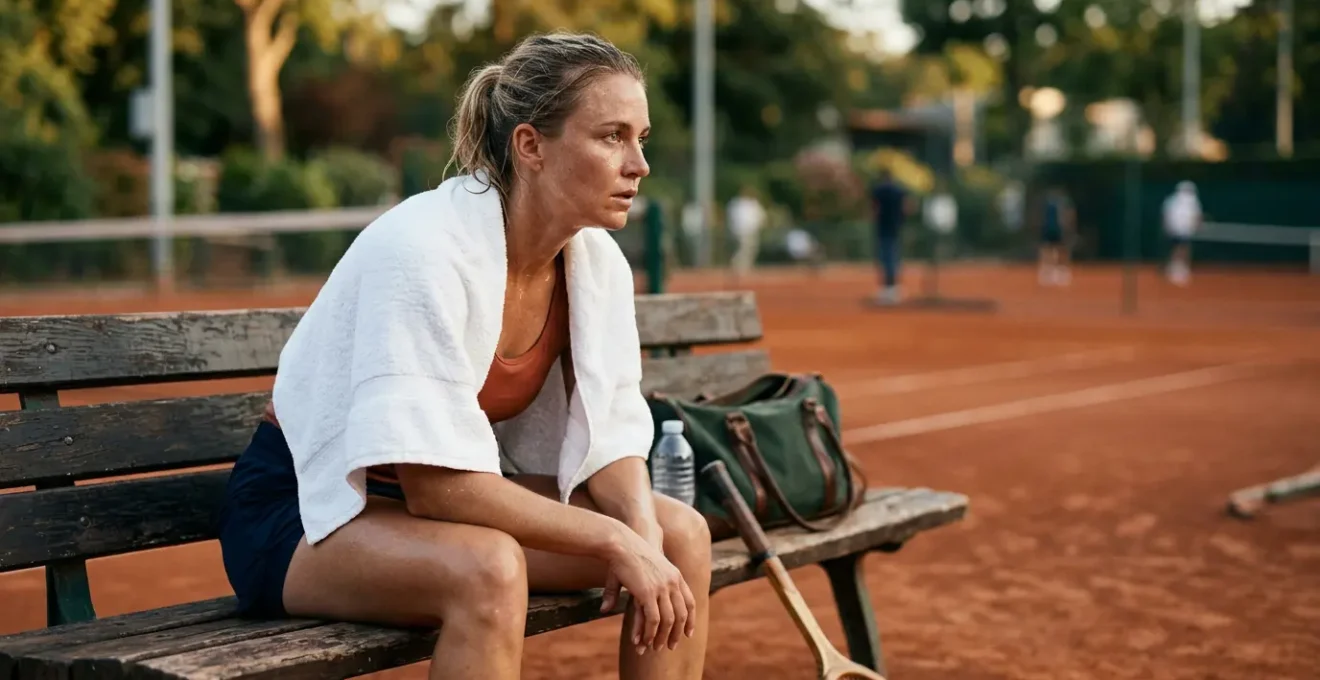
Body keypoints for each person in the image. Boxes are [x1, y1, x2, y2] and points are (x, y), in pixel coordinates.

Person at [217, 33, 711, 680]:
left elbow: (612, 435)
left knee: (681, 537)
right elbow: (434, 488)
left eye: (641, 138)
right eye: (612, 136)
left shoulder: (595, 262)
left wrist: (642, 531)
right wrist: (613, 538)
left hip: (430, 510)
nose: (639, 163)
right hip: (312, 511)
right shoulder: (424, 249)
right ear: (530, 146)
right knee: (490, 570)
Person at [870, 170, 911, 304]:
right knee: (893, 257)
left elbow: (874, 209)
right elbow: (907, 207)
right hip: (895, 227)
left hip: (883, 227)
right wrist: (902, 220)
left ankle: (888, 288)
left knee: (885, 257)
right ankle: (893, 287)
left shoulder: (878, 190)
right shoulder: (899, 191)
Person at [1162, 180, 1202, 286]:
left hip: (1180, 229)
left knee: (1181, 248)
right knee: (1181, 248)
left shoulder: (1172, 200)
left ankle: (1178, 268)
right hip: (1180, 229)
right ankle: (1177, 268)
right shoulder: (1190, 201)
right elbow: (1196, 216)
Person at [726, 185, 766, 281]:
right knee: (744, 249)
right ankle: (739, 266)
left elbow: (760, 217)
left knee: (751, 249)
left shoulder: (753, 204)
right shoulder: (737, 204)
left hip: (751, 231)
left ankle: (745, 267)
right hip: (742, 231)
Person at [1037, 187, 1075, 286]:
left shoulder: (1063, 204)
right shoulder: (1047, 205)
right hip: (1049, 229)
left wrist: (1067, 227)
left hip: (1058, 229)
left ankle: (1062, 271)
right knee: (1048, 249)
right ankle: (1048, 271)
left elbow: (1068, 216)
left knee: (1061, 249)